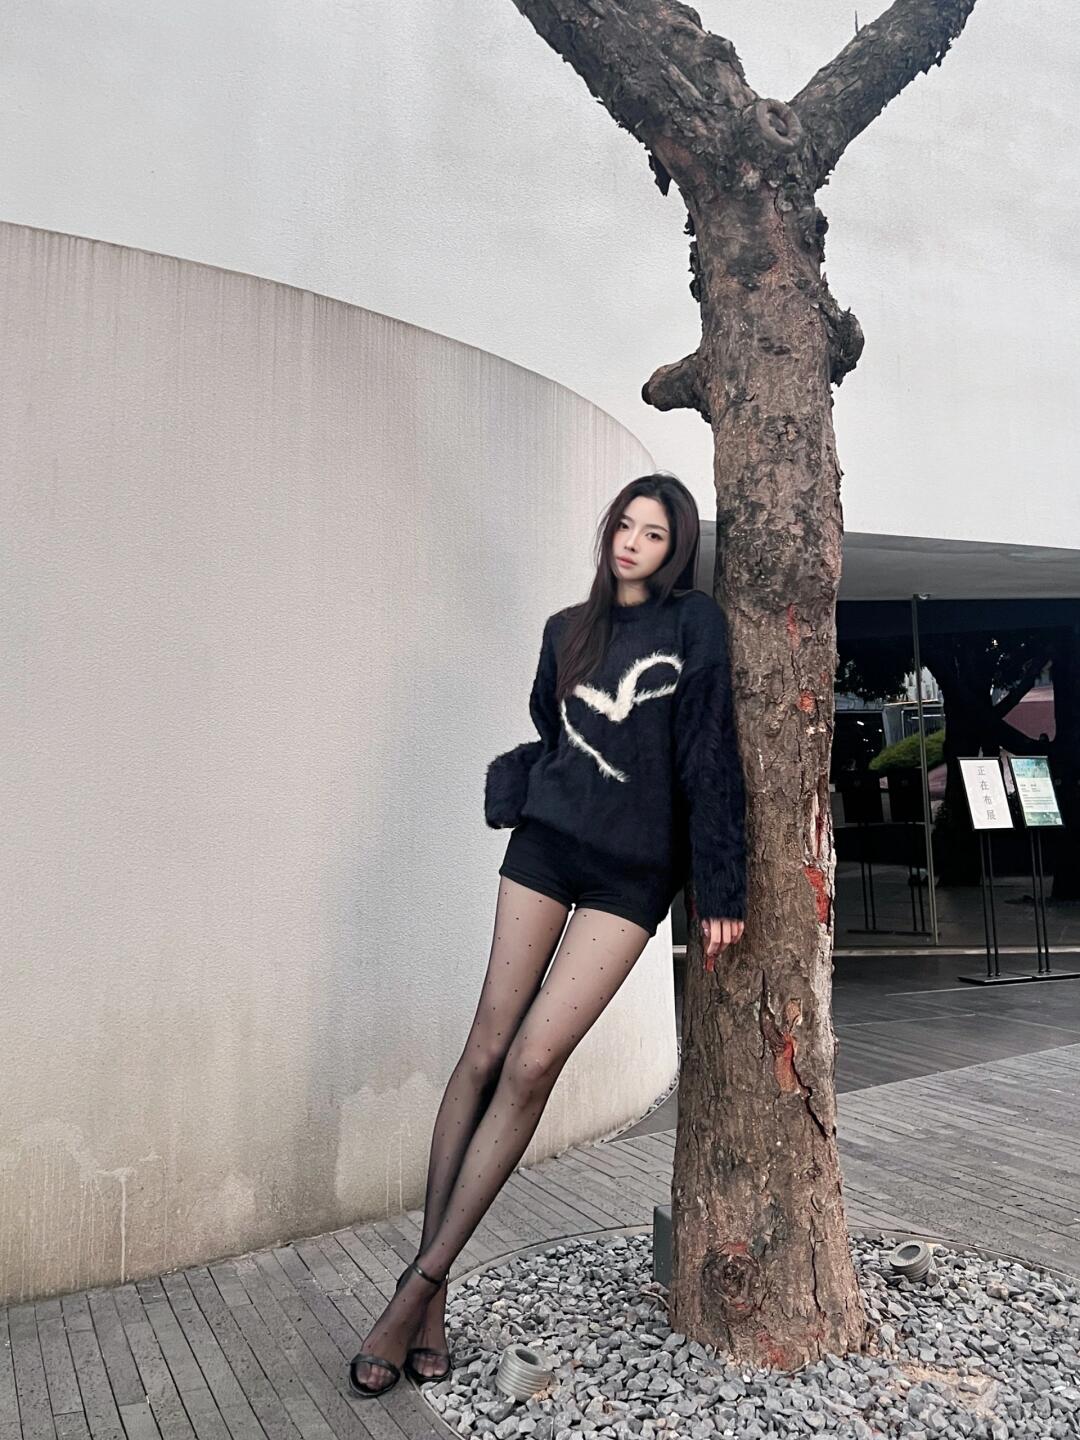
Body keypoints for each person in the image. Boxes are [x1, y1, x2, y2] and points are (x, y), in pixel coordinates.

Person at [348, 472, 748, 1398]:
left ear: (677, 549)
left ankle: (414, 1289)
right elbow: (550, 727)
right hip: (545, 849)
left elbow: (708, 751)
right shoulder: (566, 630)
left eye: (653, 533)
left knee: (532, 1064)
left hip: (632, 875)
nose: (632, 542)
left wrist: (720, 883)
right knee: (485, 1049)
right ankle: (429, 1298)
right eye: (624, 525)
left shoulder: (694, 626)